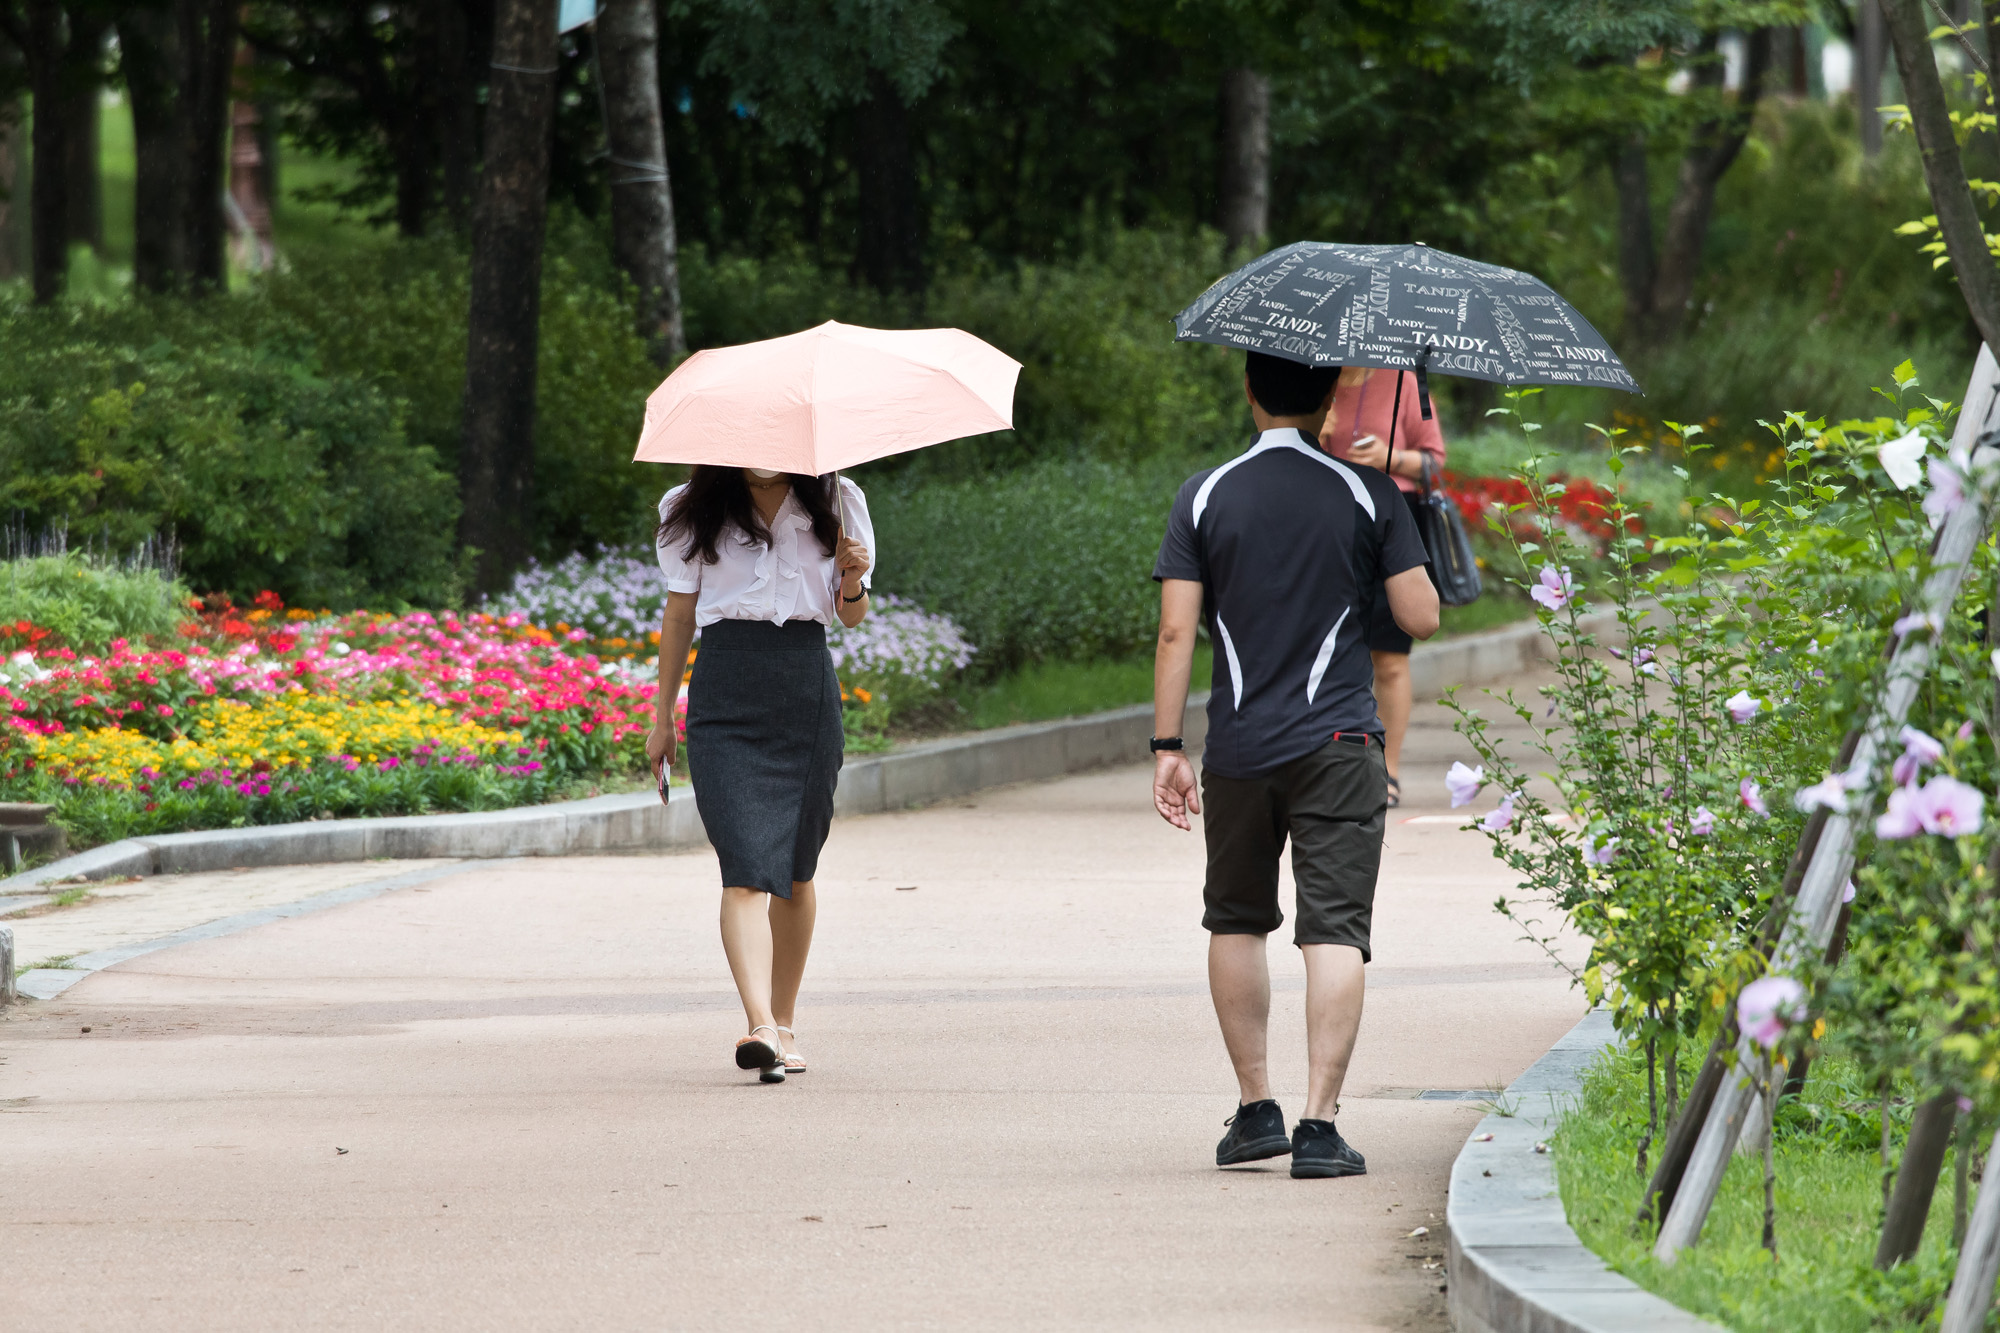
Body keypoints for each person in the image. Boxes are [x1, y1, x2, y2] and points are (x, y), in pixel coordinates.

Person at [1150, 351, 1438, 1177]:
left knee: (1236, 918)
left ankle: (1254, 1109)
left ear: (1249, 391)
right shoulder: (1365, 492)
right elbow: (1419, 615)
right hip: (1342, 746)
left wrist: (1168, 749)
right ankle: (1319, 1124)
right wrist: (1380, 537)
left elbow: (1177, 633)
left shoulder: (1203, 494)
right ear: (1332, 394)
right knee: (1333, 930)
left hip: (1238, 748)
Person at [646, 466, 874, 1084]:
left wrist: (851, 581)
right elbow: (678, 616)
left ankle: (786, 1021)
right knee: (744, 864)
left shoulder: (839, 498)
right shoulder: (691, 506)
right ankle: (760, 1026)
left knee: (797, 872)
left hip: (806, 687)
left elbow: (850, 616)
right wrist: (662, 716)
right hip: (724, 691)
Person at [1316, 366, 1447, 807]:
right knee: (1330, 650)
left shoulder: (1404, 380)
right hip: (1329, 520)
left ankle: (1387, 770)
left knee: (1390, 658)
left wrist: (1390, 457)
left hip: (1393, 520)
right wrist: (1316, 432)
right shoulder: (1318, 380)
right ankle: (1331, 764)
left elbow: (1434, 462)